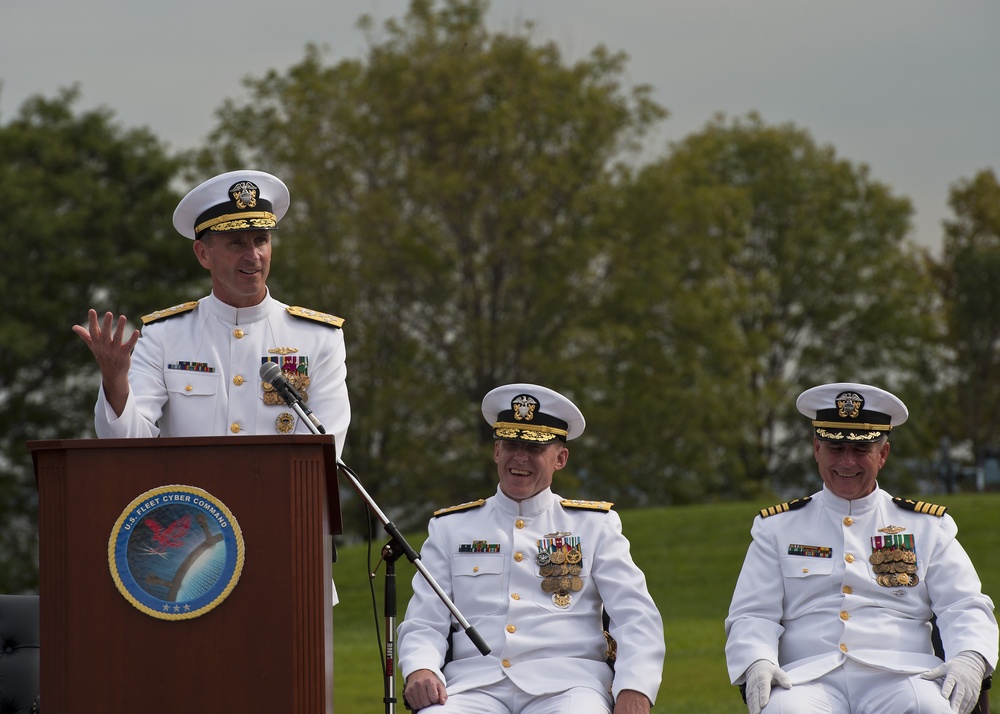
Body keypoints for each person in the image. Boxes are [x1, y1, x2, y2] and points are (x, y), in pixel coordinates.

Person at [725, 382, 998, 714]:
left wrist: (970, 656)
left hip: (902, 676)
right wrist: (757, 661)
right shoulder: (777, 528)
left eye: (860, 450)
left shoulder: (928, 526)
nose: (847, 462)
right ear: (816, 449)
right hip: (807, 679)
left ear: (882, 454)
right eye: (835, 449)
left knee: (930, 708)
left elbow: (964, 605)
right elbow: (752, 614)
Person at [397, 383, 664, 714]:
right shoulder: (450, 528)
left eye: (534, 447)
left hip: (568, 686)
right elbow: (425, 621)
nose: (519, 457)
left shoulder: (595, 525)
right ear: (496, 451)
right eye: (510, 444)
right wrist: (421, 667)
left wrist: (635, 686)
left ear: (561, 458)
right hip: (473, 686)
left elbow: (635, 614)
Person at [73, 169, 350, 457]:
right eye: (237, 243)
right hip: (188, 502)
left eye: (261, 240)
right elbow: (127, 445)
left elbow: (324, 453)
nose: (253, 255)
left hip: (282, 500)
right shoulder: (163, 335)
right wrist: (114, 380)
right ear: (203, 254)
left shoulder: (318, 338)